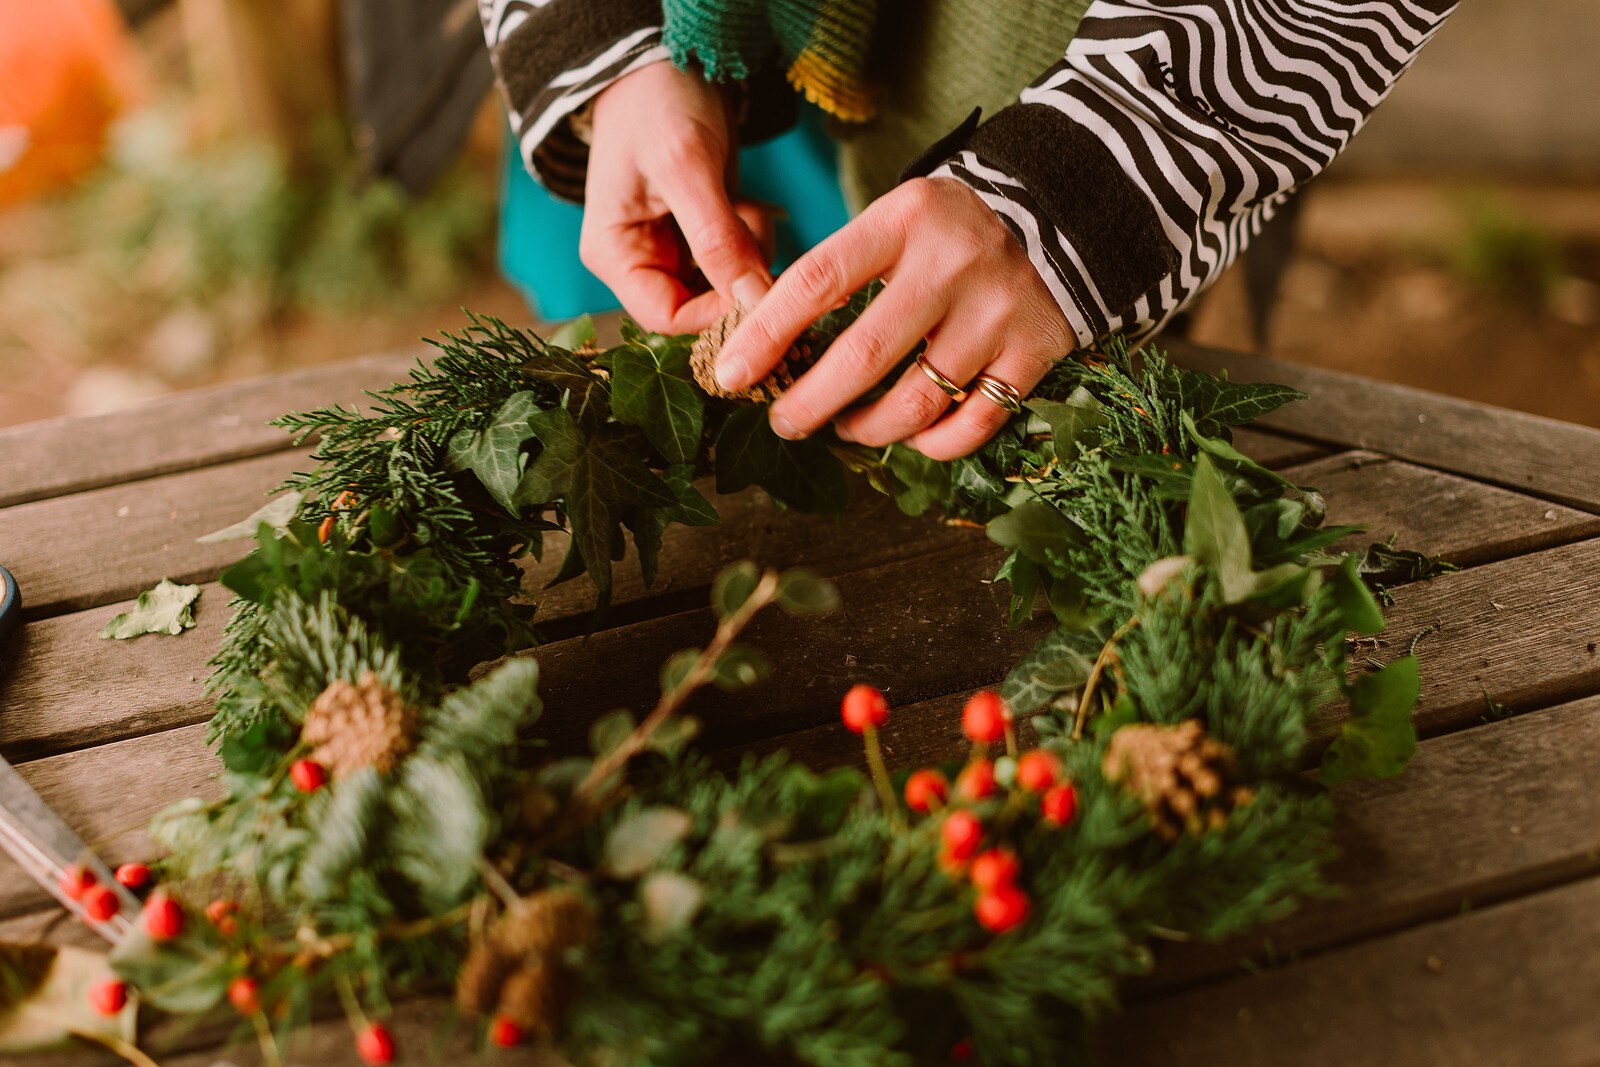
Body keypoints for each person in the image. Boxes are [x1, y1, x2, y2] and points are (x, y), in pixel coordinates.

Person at [476, 0, 1456, 460]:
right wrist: (610, 53)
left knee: (1049, 425)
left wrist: (1108, 162)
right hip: (726, 51)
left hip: (1077, 60)